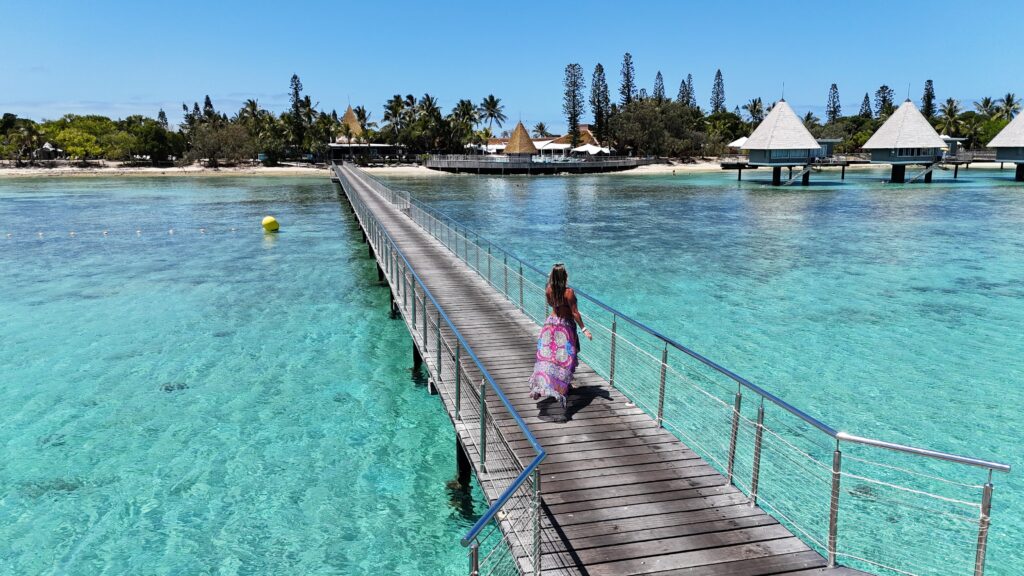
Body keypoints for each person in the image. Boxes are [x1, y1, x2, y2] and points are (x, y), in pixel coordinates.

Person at [529, 263, 592, 408]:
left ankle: (542, 385)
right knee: (566, 358)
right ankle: (563, 387)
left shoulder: (548, 290)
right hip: (565, 327)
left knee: (548, 357)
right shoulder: (569, 293)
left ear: (552, 276)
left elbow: (552, 304)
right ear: (564, 276)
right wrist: (584, 329)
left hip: (550, 324)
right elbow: (575, 312)